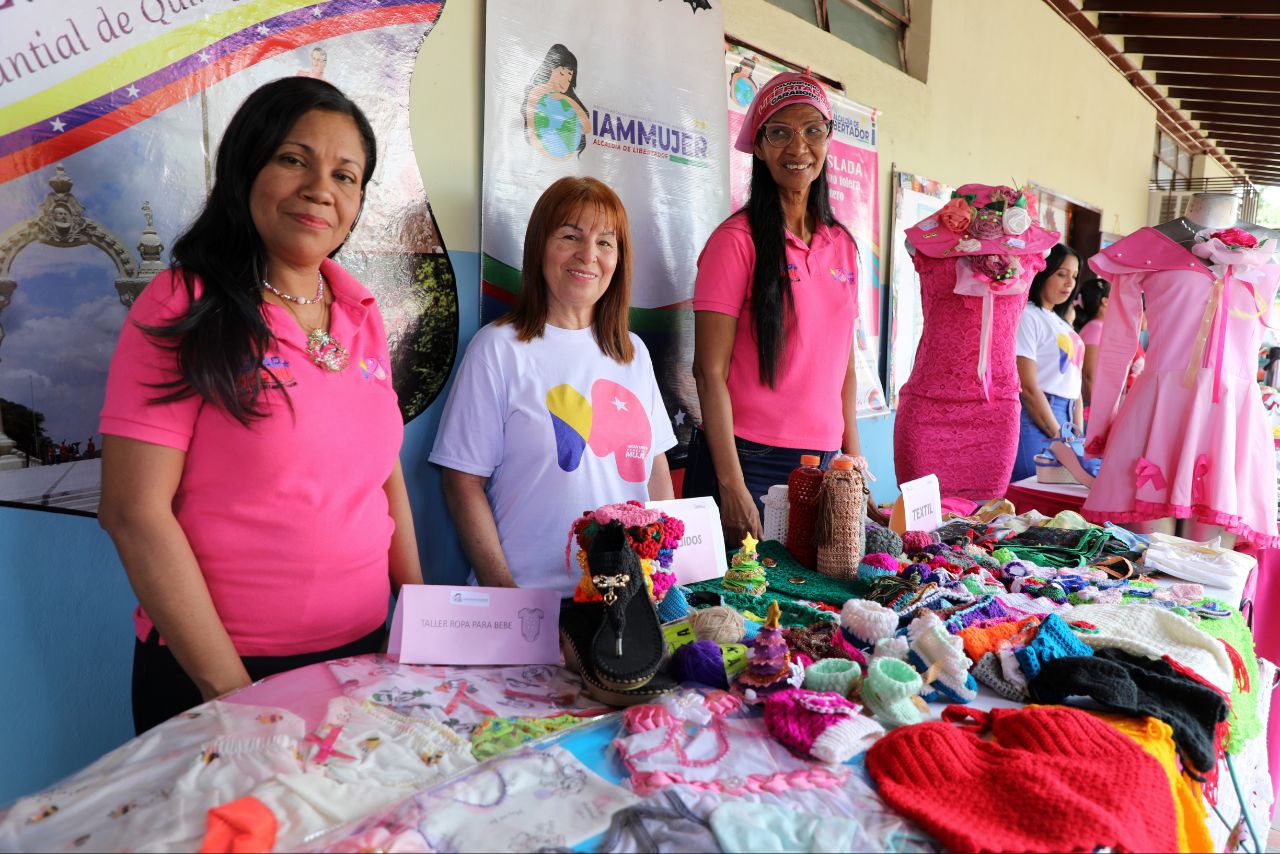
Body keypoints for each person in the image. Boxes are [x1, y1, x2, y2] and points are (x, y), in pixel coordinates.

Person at [98, 78, 421, 734]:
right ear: (246, 165)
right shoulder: (183, 304)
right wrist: (233, 695)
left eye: (345, 174)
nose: (320, 188)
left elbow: (384, 476)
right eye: (293, 159)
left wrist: (418, 622)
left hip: (365, 657)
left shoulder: (361, 313)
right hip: (219, 675)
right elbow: (134, 513)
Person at [430, 176, 675, 596]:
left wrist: (662, 577)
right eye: (570, 236)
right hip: (532, 597)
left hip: (626, 600)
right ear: (540, 246)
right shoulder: (498, 348)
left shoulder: (632, 352)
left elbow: (656, 471)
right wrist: (509, 597)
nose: (588, 255)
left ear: (619, 259)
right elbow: (461, 482)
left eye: (605, 243)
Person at [684, 72, 867, 541]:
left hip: (826, 463)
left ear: (828, 140)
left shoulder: (842, 245)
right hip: (747, 460)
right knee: (733, 609)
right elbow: (708, 372)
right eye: (780, 132)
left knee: (812, 609)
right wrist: (732, 486)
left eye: (812, 130)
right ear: (760, 147)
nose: (798, 147)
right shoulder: (735, 242)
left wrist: (854, 458)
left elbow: (843, 364)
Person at [1011, 244, 1097, 481]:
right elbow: (1027, 387)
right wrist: (1058, 435)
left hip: (1069, 418)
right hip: (1039, 415)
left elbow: (1075, 382)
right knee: (1031, 497)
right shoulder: (1027, 315)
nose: (1069, 283)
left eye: (1074, 276)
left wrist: (1076, 435)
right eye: (1061, 274)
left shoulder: (1059, 322)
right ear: (1043, 273)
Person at [522, 43, 589, 159]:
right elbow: (532, 133)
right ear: (550, 69)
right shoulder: (537, 93)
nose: (565, 81)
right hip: (542, 160)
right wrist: (554, 157)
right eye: (562, 73)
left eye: (569, 77)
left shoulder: (565, 100)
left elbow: (587, 128)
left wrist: (565, 98)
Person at [1074, 278, 1110, 407]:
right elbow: (1089, 374)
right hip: (1091, 408)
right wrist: (1097, 410)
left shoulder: (1097, 327)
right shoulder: (1095, 328)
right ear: (1105, 302)